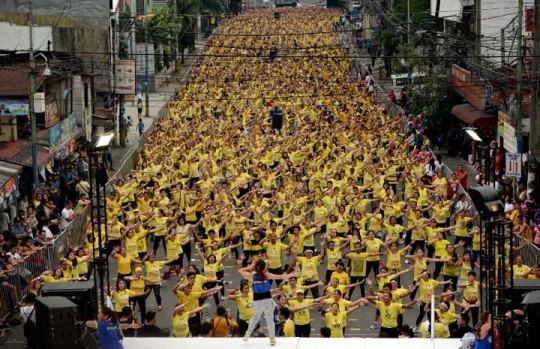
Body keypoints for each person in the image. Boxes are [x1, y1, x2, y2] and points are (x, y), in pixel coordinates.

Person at [238, 259, 299, 346]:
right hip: (267, 300)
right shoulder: (267, 275)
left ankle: (247, 334)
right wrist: (293, 273)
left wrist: (251, 266)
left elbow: (240, 270)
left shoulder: (252, 276)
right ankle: (272, 339)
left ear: (256, 267)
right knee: (270, 321)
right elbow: (282, 276)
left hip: (257, 301)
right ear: (264, 267)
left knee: (255, 318)